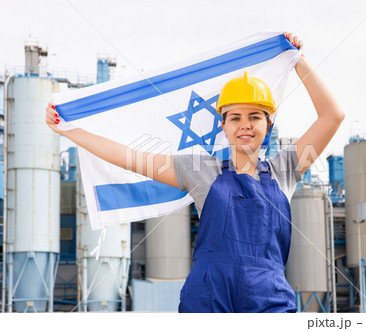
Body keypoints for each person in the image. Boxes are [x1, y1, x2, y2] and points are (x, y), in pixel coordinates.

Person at [46, 32, 344, 313]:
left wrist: (298, 60)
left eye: (255, 117)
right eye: (235, 118)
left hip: (269, 295)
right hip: (208, 293)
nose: (245, 125)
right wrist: (71, 131)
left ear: (268, 126)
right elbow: (129, 158)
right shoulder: (200, 171)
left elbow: (333, 115)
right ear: (224, 127)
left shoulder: (285, 170)